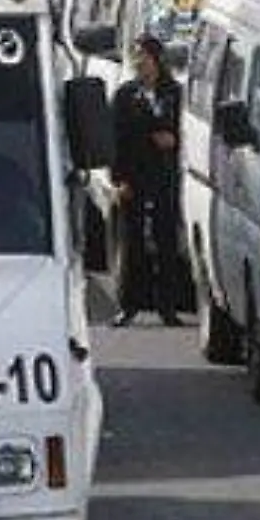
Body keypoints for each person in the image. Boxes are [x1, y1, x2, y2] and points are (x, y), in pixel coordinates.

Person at [110, 36, 184, 327]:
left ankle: (167, 306)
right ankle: (129, 305)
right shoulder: (125, 95)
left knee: (166, 241)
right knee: (133, 242)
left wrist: (172, 140)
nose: (140, 62)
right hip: (134, 176)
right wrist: (118, 179)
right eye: (136, 57)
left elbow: (180, 128)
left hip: (164, 176)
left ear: (157, 60)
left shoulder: (174, 93)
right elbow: (116, 138)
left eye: (145, 56)